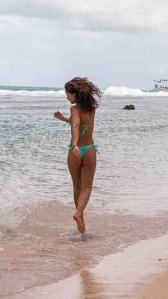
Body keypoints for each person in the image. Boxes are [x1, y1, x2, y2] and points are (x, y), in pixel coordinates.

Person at [54, 77, 101, 233]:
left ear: (75, 94)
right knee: (86, 187)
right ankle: (79, 214)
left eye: (67, 94)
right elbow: (80, 124)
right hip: (89, 150)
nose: (66, 97)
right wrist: (63, 119)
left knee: (77, 186)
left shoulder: (74, 109)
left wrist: (74, 144)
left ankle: (80, 216)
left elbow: (75, 126)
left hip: (75, 151)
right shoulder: (92, 108)